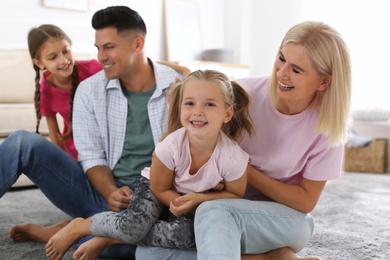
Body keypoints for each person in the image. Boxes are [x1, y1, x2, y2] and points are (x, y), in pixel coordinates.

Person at [136, 20, 352, 260]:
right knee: (148, 254)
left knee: (213, 211)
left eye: (296, 70)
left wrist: (241, 170)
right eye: (281, 59)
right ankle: (267, 258)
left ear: (324, 82)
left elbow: (305, 201)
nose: (281, 73)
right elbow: (188, 141)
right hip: (216, 207)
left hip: (280, 221)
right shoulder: (242, 94)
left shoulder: (329, 129)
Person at [1, 5, 188, 259]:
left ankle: (81, 229)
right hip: (102, 197)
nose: (101, 57)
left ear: (137, 44)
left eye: (109, 47)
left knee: (124, 247)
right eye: (98, 48)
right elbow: (91, 156)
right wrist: (110, 191)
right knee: (23, 142)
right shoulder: (88, 91)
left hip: (157, 206)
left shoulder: (180, 88)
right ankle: (94, 227)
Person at [45, 69, 254, 259]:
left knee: (187, 237)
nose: (198, 111)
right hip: (156, 188)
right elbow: (159, 187)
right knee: (133, 227)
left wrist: (198, 201)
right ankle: (83, 225)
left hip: (193, 202)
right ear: (180, 108)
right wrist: (181, 203)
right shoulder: (170, 146)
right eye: (189, 103)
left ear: (227, 113)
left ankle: (110, 236)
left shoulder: (233, 158)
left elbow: (235, 195)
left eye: (209, 104)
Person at [27, 24, 102, 160]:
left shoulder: (94, 69)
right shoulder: (45, 92)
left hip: (107, 149)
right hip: (76, 155)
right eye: (53, 57)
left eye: (66, 51)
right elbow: (55, 139)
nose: (63, 60)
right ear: (39, 63)